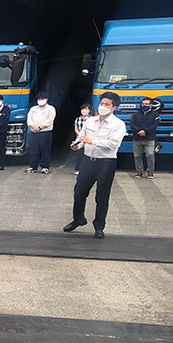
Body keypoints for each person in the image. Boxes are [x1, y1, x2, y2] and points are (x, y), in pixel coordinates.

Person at [64, 92, 126, 239]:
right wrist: (76, 146)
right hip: (88, 161)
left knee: (102, 196)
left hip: (106, 162)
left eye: (107, 104)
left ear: (113, 108)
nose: (102, 106)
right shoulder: (90, 121)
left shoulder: (118, 124)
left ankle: (99, 226)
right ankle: (78, 219)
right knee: (79, 192)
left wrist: (93, 142)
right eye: (102, 103)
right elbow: (82, 138)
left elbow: (113, 144)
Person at [129, 97, 159, 179]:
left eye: (147, 104)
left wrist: (145, 131)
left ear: (151, 105)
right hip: (137, 138)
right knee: (137, 156)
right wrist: (139, 131)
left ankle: (150, 171)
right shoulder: (135, 114)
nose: (145, 105)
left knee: (150, 154)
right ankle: (139, 171)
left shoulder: (155, 115)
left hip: (150, 138)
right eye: (143, 104)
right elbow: (132, 124)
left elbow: (154, 125)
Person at [26, 92, 55, 174]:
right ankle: (33, 166)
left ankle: (45, 167)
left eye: (42, 99)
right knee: (34, 150)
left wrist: (40, 127)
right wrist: (32, 126)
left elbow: (50, 120)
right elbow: (29, 118)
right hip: (34, 132)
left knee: (45, 150)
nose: (40, 100)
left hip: (45, 132)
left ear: (46, 99)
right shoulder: (33, 109)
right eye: (39, 99)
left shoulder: (50, 108)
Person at [70, 103, 92, 175]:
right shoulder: (78, 119)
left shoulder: (91, 119)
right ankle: (79, 169)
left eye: (86, 109)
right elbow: (76, 128)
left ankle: (87, 169)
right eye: (83, 109)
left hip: (88, 138)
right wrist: (80, 134)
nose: (84, 111)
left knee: (87, 154)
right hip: (79, 138)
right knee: (80, 154)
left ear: (89, 111)